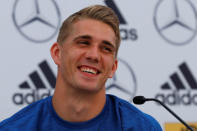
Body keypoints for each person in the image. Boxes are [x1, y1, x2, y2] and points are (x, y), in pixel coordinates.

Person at [0, 5, 162, 131]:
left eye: (106, 48)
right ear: (57, 53)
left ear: (113, 67)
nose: (94, 55)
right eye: (84, 43)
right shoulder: (14, 128)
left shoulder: (141, 127)